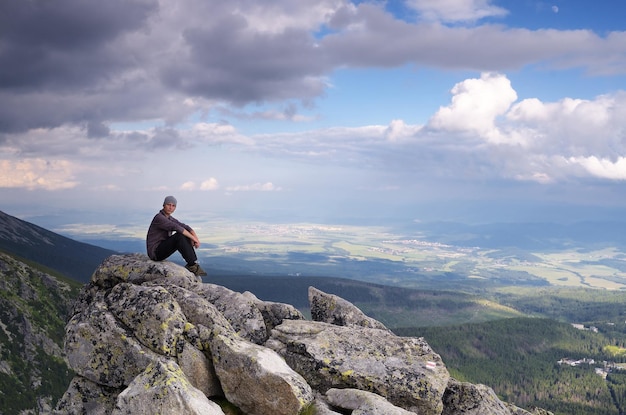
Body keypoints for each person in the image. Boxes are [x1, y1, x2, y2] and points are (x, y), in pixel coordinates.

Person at [146, 196, 207, 276]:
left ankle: (192, 264)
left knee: (184, 234)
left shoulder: (169, 218)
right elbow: (177, 228)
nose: (170, 208)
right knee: (180, 236)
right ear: (164, 205)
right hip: (155, 253)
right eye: (169, 205)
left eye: (173, 206)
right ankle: (192, 265)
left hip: (161, 249)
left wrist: (195, 238)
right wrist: (194, 239)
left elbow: (185, 227)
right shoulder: (159, 218)